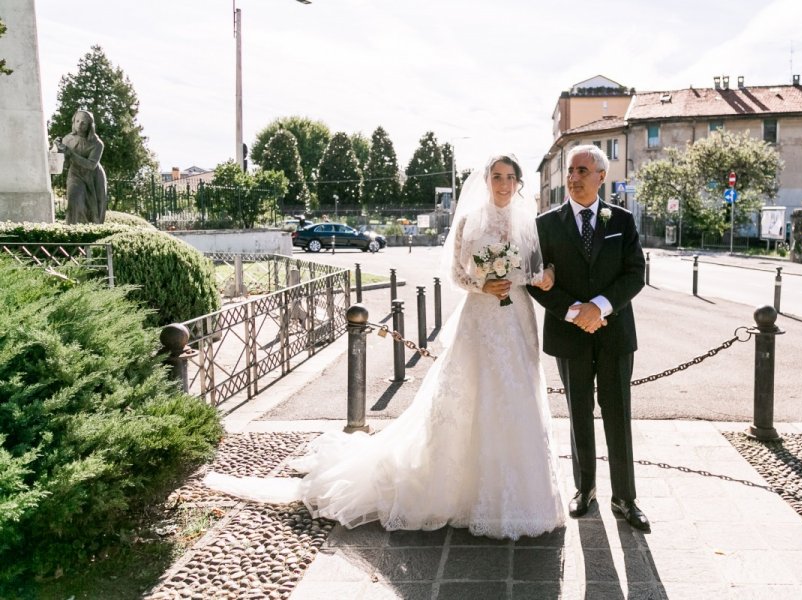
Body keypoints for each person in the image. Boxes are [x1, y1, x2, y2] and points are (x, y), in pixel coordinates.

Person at [205, 154, 566, 540]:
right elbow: (457, 272)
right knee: (471, 397)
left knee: (517, 397)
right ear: (486, 180)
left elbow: (534, 269)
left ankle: (523, 494)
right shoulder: (468, 221)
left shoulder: (528, 222)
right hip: (479, 320)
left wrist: (541, 278)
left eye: (511, 178)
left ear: (519, 182)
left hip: (515, 321)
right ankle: (463, 490)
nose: (505, 184)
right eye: (498, 177)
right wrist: (482, 285)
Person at [527, 145, 649, 531]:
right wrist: (574, 312)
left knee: (619, 415)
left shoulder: (623, 220)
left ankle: (625, 498)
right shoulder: (545, 224)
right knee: (579, 413)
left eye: (582, 170)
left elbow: (634, 274)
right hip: (570, 334)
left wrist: (600, 306)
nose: (574, 177)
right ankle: (585, 490)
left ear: (601, 176)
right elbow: (536, 281)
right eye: (570, 171)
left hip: (614, 335)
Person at [58, 110, 108, 225]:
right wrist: (60, 151)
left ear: (90, 126)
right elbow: (65, 164)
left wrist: (71, 154)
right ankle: (73, 232)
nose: (79, 125)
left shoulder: (97, 144)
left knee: (94, 208)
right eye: (77, 121)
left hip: (93, 177)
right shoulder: (67, 139)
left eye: (83, 123)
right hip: (75, 173)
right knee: (74, 199)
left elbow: (91, 165)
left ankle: (90, 233)